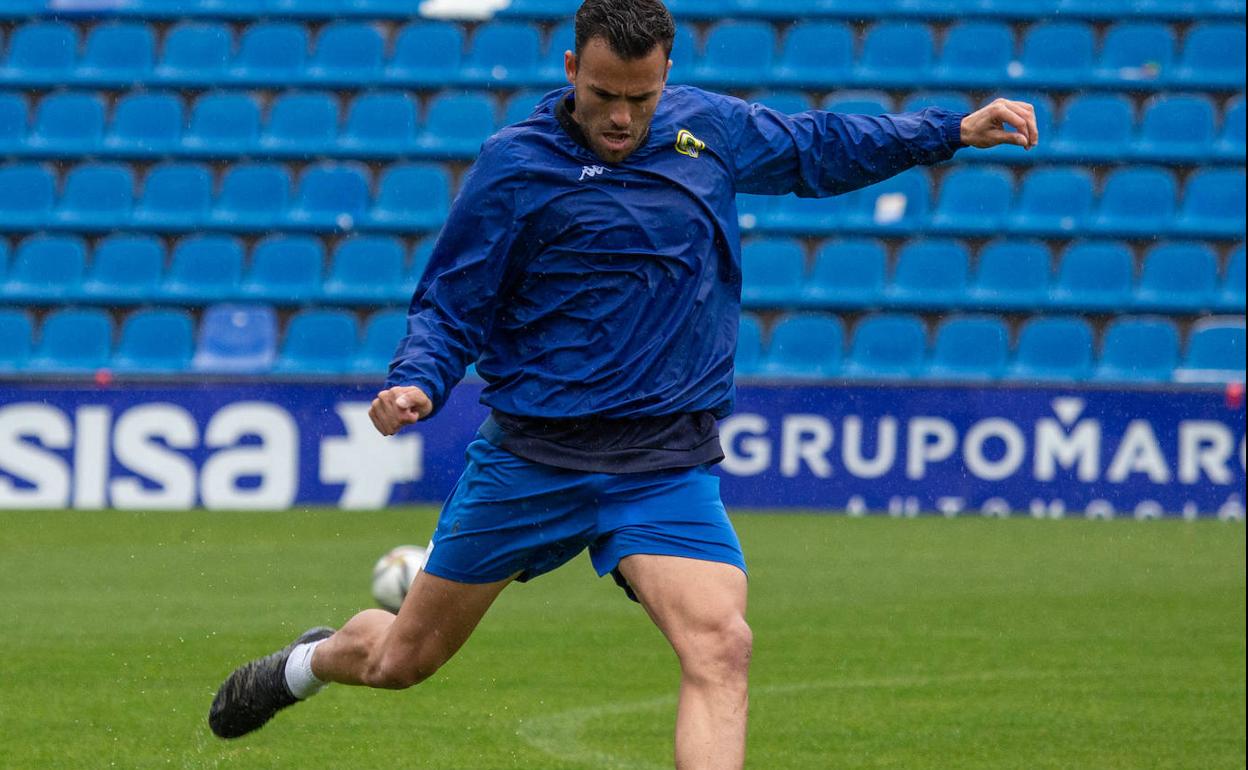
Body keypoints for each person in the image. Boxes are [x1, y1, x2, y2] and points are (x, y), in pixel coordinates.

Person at [208, 1, 1038, 767]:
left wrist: (951, 130)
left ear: (665, 77)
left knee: (721, 647)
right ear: (571, 67)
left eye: (640, 98)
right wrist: (417, 383)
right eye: (604, 94)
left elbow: (821, 148)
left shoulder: (709, 130)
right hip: (532, 461)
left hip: (663, 464)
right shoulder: (516, 167)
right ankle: (308, 664)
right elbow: (452, 301)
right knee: (400, 661)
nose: (620, 116)